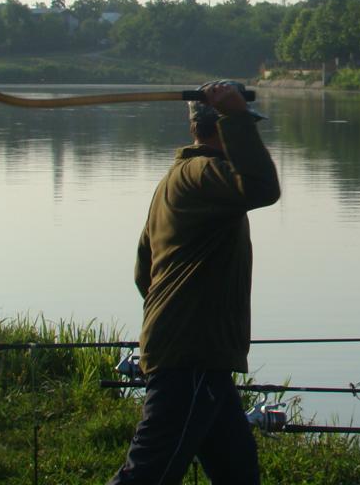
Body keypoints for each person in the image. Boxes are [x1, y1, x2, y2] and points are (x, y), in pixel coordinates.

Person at [107, 80, 280, 485]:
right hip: (192, 357)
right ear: (222, 129)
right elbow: (262, 188)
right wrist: (237, 116)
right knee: (147, 474)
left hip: (198, 355)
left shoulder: (175, 179)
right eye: (241, 129)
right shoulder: (205, 174)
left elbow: (144, 272)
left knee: (238, 472)